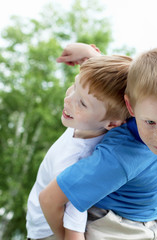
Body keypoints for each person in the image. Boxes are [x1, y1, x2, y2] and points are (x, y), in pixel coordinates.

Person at [39, 43, 157, 240]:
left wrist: (94, 57)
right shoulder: (117, 156)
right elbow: (49, 199)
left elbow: (153, 77)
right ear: (131, 107)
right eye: (150, 122)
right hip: (113, 227)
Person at [26, 53, 132, 240]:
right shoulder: (91, 123)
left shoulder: (77, 164)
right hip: (36, 220)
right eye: (74, 86)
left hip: (45, 232)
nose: (69, 100)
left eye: (82, 103)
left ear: (113, 124)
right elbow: (103, 80)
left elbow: (74, 226)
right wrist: (87, 53)